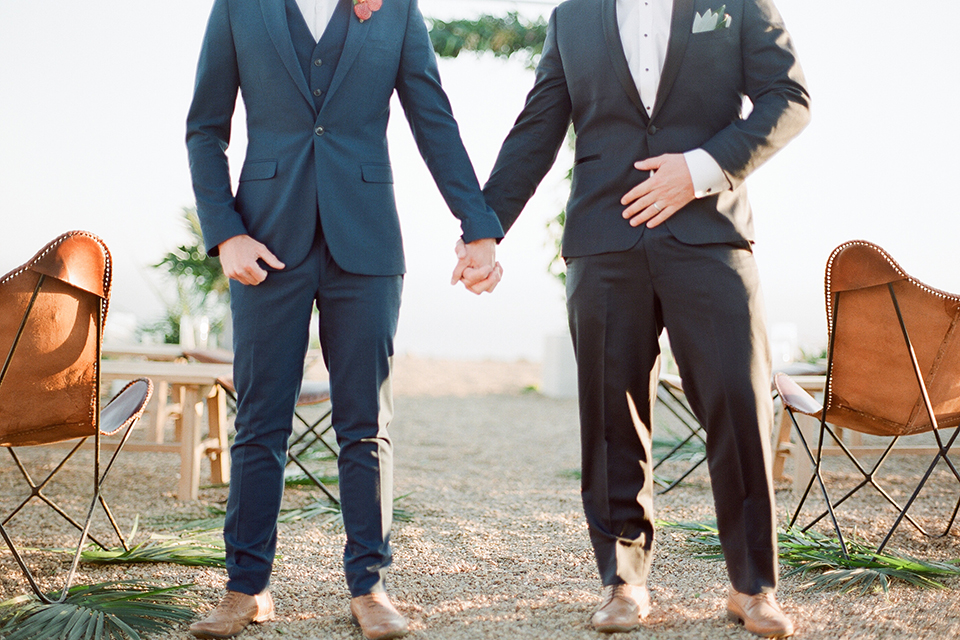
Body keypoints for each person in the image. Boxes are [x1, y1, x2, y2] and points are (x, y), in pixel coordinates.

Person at [473, 0, 810, 637]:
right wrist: (484, 228)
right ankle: (622, 582)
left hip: (710, 235)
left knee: (738, 403)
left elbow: (787, 97)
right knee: (609, 417)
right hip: (603, 242)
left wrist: (700, 169)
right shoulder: (570, 17)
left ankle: (752, 587)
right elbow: (537, 128)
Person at [185, 0, 503, 638]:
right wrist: (225, 235)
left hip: (367, 242)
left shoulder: (396, 9)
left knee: (365, 422)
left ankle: (370, 586)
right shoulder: (237, 9)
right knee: (260, 421)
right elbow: (205, 130)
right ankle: (245, 587)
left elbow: (433, 122)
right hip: (265, 243)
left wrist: (479, 228)